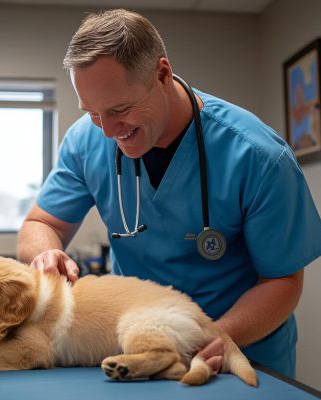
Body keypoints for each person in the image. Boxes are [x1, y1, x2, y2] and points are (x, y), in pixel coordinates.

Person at [17, 9, 321, 378]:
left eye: (120, 109)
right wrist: (45, 252)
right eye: (93, 113)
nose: (108, 130)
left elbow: (282, 282)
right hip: (138, 349)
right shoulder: (85, 141)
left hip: (236, 350)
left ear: (161, 73)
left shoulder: (258, 157)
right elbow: (41, 222)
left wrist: (213, 337)